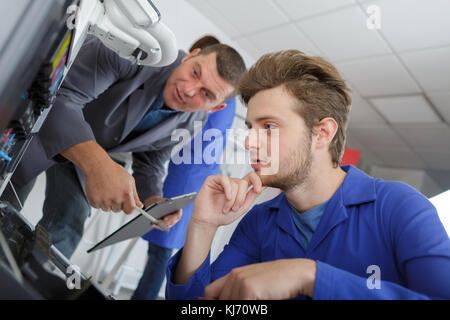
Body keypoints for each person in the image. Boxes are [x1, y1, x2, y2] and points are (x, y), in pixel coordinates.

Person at [165, 50, 450, 300]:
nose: (249, 142)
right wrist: (203, 226)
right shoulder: (257, 222)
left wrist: (310, 276)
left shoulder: (399, 206)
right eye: (251, 128)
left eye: (269, 127)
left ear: (322, 133)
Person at [1, 35, 246, 259]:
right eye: (194, 72)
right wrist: (98, 164)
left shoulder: (195, 121)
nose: (188, 90)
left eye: (206, 94)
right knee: (8, 203)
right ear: (190, 56)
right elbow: (60, 98)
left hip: (91, 156)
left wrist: (152, 200)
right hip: (42, 127)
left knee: (69, 223)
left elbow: (151, 159)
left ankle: (22, 280)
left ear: (214, 108)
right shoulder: (137, 50)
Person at [131, 35, 237, 300]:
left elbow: (185, 136)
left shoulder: (214, 103)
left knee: (161, 253)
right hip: (192, 177)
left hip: (184, 176)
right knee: (163, 252)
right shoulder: (225, 99)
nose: (190, 89)